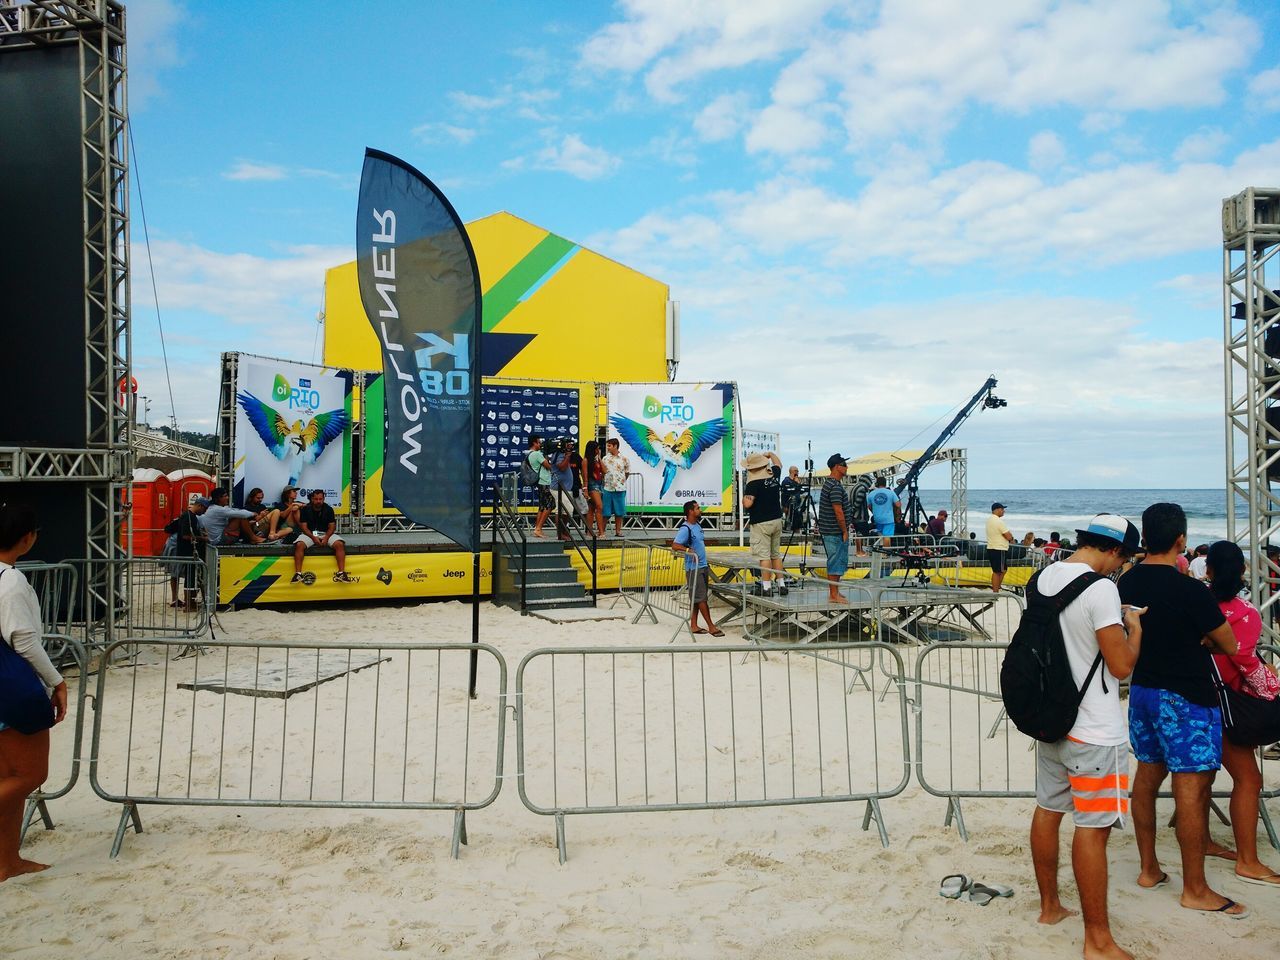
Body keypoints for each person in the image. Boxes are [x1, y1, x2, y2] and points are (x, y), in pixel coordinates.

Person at [1118, 503, 1246, 918]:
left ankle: (1148, 868)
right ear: (1181, 540)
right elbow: (1228, 643)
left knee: (1147, 777)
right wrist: (1204, 639)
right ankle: (1195, 888)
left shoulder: (1126, 581)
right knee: (1191, 789)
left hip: (1143, 691)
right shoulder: (1191, 590)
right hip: (1187, 696)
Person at [1028, 513, 1143, 960]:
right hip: (1094, 727)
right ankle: (1098, 940)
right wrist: (1135, 631)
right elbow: (1121, 666)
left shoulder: (1042, 578)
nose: (1120, 567)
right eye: (1123, 558)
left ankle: (1049, 907)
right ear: (1113, 551)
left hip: (1053, 717)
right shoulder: (1102, 589)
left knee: (1047, 810)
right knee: (1093, 830)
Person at [0, 503, 69, 883]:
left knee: (8, 776)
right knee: (30, 774)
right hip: (12, 685)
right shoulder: (10, 581)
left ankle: (7, 861)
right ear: (27, 538)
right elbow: (24, 641)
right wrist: (57, 681)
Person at [1205, 540, 1280, 887]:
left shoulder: (1193, 605)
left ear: (1208, 571)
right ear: (1244, 572)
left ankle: (1200, 838)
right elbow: (1245, 659)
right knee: (1249, 780)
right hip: (1224, 705)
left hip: (1183, 699)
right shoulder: (1245, 613)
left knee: (1192, 775)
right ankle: (1248, 860)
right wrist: (1271, 682)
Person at [671, 500, 722, 636]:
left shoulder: (698, 525)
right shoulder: (685, 528)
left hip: (702, 565)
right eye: (698, 508)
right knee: (701, 598)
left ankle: (693, 625)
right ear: (690, 512)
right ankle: (711, 626)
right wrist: (688, 549)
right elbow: (675, 545)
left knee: (697, 598)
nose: (700, 510)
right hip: (694, 568)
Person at [741, 452, 785, 595]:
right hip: (777, 519)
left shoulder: (753, 483)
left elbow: (748, 503)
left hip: (761, 522)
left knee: (764, 557)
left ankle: (766, 587)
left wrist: (743, 499)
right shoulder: (773, 475)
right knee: (775, 555)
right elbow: (779, 464)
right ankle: (781, 584)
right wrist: (770, 454)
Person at [292, 489, 355, 584]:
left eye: (320, 499)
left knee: (339, 544)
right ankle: (298, 573)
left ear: (323, 499)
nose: (318, 501)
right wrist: (313, 538)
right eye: (316, 499)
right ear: (312, 499)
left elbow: (332, 526)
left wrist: (326, 538)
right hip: (309, 534)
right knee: (299, 545)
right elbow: (304, 527)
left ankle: (341, 573)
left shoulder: (329, 509)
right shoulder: (305, 509)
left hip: (325, 533)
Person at [817, 454, 850, 604]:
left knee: (837, 561)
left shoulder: (829, 484)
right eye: (844, 464)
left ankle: (835, 591)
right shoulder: (835, 486)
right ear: (837, 466)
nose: (847, 467)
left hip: (830, 529)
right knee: (835, 561)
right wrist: (844, 530)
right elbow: (838, 511)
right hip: (834, 530)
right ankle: (833, 594)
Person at [168, 494, 208, 611]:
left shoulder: (188, 515)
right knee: (191, 578)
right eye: (204, 509)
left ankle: (190, 603)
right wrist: (202, 538)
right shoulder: (189, 517)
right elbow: (185, 535)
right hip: (187, 552)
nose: (204, 512)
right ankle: (189, 605)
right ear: (200, 506)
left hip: (188, 551)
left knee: (191, 577)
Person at [600, 437, 629, 537]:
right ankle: (602, 531)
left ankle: (618, 531)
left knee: (619, 512)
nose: (607, 448)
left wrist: (621, 481)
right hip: (608, 488)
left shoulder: (624, 459)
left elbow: (627, 472)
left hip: (620, 488)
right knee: (606, 512)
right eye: (607, 446)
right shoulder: (605, 458)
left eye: (609, 446)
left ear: (615, 446)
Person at [548, 439, 576, 541]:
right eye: (568, 445)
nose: (570, 447)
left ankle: (563, 532)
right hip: (559, 488)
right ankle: (560, 533)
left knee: (565, 510)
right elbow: (562, 467)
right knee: (565, 509)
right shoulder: (559, 454)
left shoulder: (561, 453)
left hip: (565, 488)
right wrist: (568, 456)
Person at [528, 435, 554, 539]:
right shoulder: (537, 454)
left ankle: (538, 529)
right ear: (534, 443)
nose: (540, 445)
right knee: (550, 504)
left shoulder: (531, 454)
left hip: (540, 482)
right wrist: (546, 456)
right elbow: (548, 466)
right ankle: (538, 528)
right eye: (539, 442)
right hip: (544, 482)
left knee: (542, 506)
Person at [986, 502, 1015, 592]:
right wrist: (1011, 539)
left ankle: (997, 587)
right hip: (999, 548)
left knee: (1001, 570)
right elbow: (1008, 535)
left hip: (992, 547)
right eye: (1002, 509)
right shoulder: (998, 521)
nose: (1004, 511)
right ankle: (996, 590)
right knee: (998, 571)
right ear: (997, 510)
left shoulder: (989, 520)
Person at [582, 440, 605, 538]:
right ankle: (601, 532)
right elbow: (585, 476)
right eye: (597, 448)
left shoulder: (597, 460)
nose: (598, 450)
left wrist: (599, 458)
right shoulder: (586, 460)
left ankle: (589, 532)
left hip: (599, 484)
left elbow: (605, 470)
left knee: (591, 509)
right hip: (591, 485)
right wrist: (585, 489)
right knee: (599, 507)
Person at [849, 472, 872, 557]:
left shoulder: (854, 487)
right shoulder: (862, 489)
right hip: (860, 516)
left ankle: (858, 551)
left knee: (858, 533)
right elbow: (858, 502)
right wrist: (854, 511)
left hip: (854, 516)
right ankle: (860, 551)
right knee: (861, 534)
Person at [781, 466, 806, 534]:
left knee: (798, 523)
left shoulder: (796, 480)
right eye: (797, 471)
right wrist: (784, 506)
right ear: (793, 471)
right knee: (790, 522)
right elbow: (785, 493)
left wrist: (798, 483)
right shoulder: (786, 481)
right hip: (789, 505)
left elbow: (801, 491)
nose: (798, 472)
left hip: (797, 505)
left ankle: (797, 533)